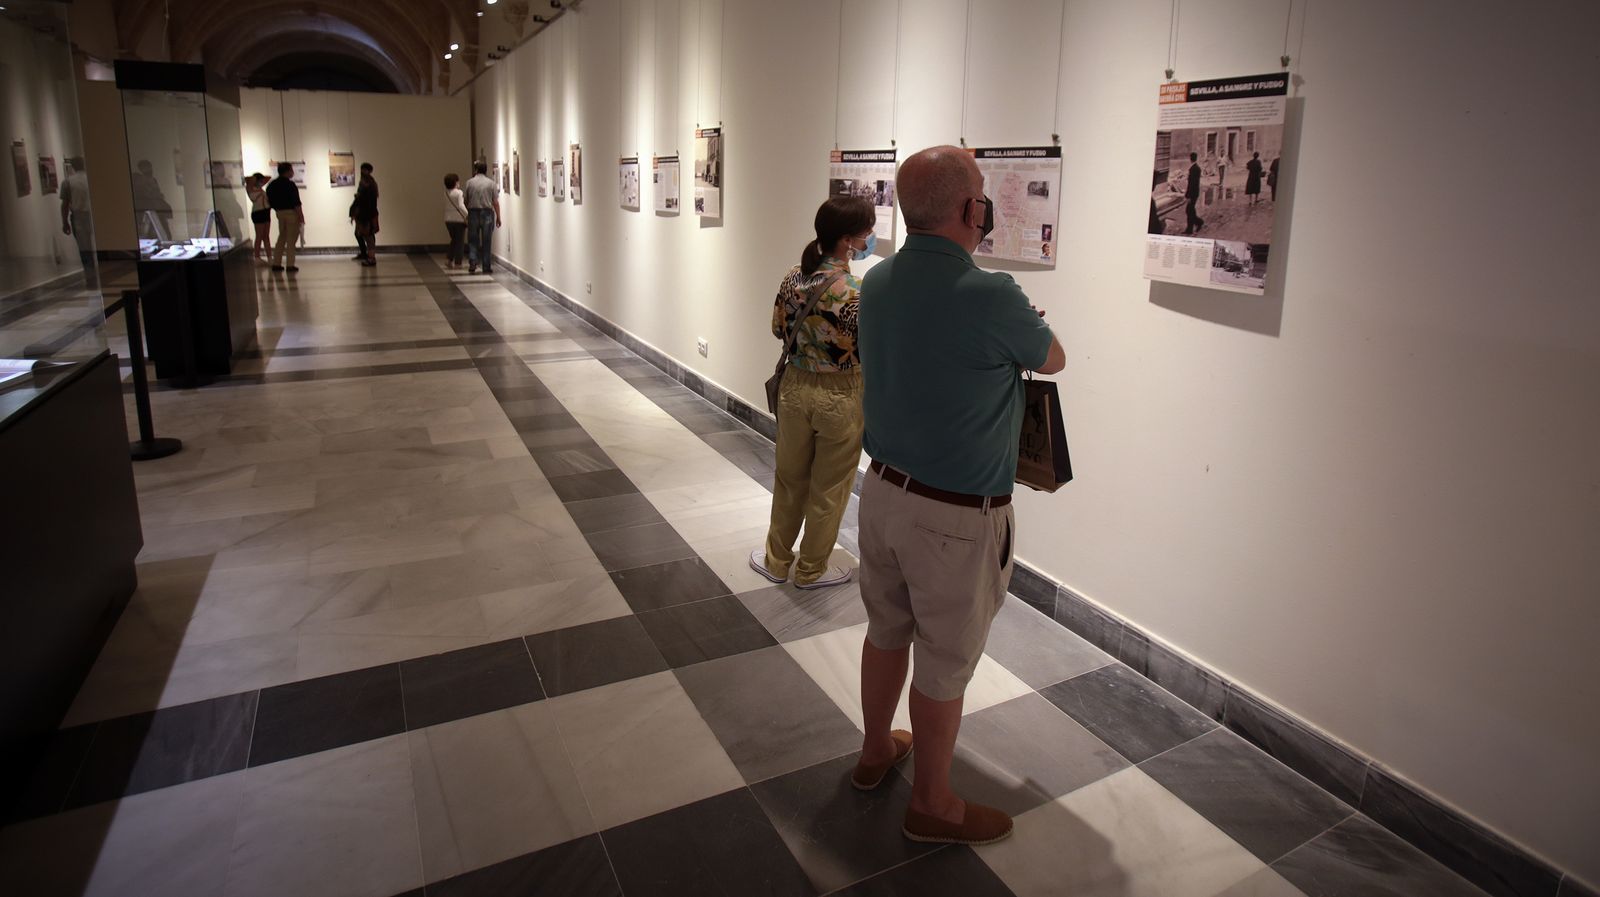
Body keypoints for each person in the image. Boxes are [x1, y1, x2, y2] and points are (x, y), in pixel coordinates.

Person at [853, 145, 1065, 846]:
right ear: (971, 209)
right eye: (981, 194)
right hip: (954, 516)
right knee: (944, 661)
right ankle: (933, 804)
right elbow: (1052, 356)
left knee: (886, 630)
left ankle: (875, 750)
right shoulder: (992, 294)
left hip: (882, 491)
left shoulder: (877, 280)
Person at [748, 196, 875, 590]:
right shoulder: (859, 291)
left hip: (794, 387)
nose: (870, 238)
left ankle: (776, 560)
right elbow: (870, 348)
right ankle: (811, 569)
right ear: (849, 240)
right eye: (867, 232)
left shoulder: (793, 277)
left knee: (789, 479)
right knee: (830, 487)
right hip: (842, 394)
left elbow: (777, 328)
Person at [58, 157, 96, 289]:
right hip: (92, 215)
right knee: (95, 247)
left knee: (84, 249)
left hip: (79, 216)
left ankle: (91, 277)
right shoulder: (91, 179)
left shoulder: (68, 182)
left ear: (72, 166)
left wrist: (64, 222)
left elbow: (65, 204)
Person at [462, 160, 501, 274]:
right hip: (487, 213)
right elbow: (495, 202)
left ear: (476, 170)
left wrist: (467, 213)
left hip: (473, 212)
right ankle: (486, 265)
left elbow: (466, 200)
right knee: (487, 240)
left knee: (473, 239)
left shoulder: (469, 183)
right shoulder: (491, 183)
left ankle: (473, 262)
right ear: (486, 170)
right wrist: (498, 217)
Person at [267, 161, 303, 272]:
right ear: (287, 172)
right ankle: (290, 264)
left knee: (282, 237)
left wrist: (277, 209)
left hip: (279, 213)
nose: (292, 172)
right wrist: (301, 216)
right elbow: (296, 203)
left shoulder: (272, 185)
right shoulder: (290, 185)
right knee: (291, 240)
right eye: (291, 170)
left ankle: (276, 263)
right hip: (291, 213)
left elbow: (269, 200)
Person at [351, 162, 379, 266]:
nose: (362, 172)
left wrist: (359, 198)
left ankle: (371, 258)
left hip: (368, 214)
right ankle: (367, 255)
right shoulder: (365, 182)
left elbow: (368, 200)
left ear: (369, 171)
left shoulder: (369, 184)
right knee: (363, 234)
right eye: (362, 169)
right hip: (365, 214)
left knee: (369, 236)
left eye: (365, 170)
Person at [443, 173, 469, 269]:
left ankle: (449, 259)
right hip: (458, 220)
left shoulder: (446, 193)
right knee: (460, 242)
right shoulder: (459, 193)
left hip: (448, 219)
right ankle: (458, 262)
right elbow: (461, 206)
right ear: (455, 182)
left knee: (454, 240)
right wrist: (467, 214)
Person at [246, 173, 271, 261]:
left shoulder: (260, 189)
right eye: (260, 181)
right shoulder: (250, 188)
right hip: (258, 212)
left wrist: (260, 180)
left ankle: (269, 257)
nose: (262, 182)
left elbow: (268, 178)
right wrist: (254, 179)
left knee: (266, 236)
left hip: (266, 212)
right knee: (259, 236)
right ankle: (257, 257)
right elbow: (248, 179)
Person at [1183, 151, 1204, 235]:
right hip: (1195, 192)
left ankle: (1192, 228)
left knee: (1189, 210)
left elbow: (1191, 184)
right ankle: (1198, 223)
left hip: (1192, 194)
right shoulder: (1197, 168)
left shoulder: (1193, 169)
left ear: (1190, 159)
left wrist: (1188, 195)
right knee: (1190, 210)